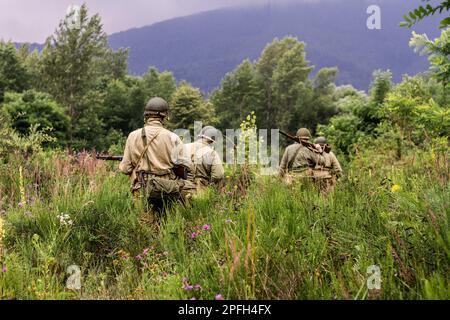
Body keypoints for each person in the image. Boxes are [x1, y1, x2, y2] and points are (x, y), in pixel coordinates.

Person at [119, 97, 192, 214]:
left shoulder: (133, 136)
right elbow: (187, 166)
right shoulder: (173, 137)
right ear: (165, 117)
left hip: (142, 188)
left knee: (144, 226)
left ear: (146, 116)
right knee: (167, 225)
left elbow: (125, 168)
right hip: (167, 189)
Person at [184, 126, 225, 196]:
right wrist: (210, 184)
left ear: (200, 137)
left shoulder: (184, 147)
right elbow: (218, 175)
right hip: (201, 191)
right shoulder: (212, 153)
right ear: (212, 141)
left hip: (183, 188)